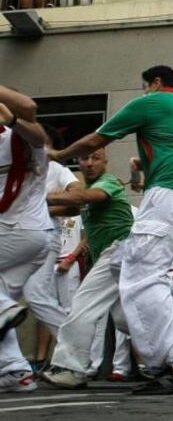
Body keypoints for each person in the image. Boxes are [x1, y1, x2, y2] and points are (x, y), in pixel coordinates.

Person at [48, 65, 173, 395]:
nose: (143, 93)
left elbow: (95, 139)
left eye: (145, 87)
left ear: (156, 83)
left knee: (143, 280)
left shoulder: (152, 101)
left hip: (169, 197)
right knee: (131, 286)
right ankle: (166, 357)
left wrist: (59, 154)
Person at [39, 147, 133, 389]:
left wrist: (35, 195)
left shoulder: (107, 182)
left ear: (105, 161)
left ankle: (71, 368)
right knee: (127, 319)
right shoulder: (87, 191)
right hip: (118, 255)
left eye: (95, 158)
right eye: (84, 158)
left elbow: (84, 198)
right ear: (78, 163)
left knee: (82, 304)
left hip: (121, 250)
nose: (89, 163)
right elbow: (70, 208)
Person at [0, 85, 49, 393]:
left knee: (2, 308)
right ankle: (15, 370)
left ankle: (4, 307)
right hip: (36, 237)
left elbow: (28, 109)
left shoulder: (24, 138)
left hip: (13, 231)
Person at [22, 125, 80, 372]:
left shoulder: (57, 169)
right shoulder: (22, 170)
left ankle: (74, 352)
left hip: (45, 236)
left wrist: (44, 205)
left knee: (36, 295)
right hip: (17, 237)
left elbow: (77, 200)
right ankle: (11, 364)